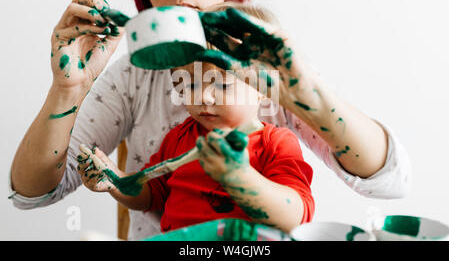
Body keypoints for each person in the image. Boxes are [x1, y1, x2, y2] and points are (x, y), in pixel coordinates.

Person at [9, 0, 411, 240]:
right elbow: (33, 194)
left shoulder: (269, 64)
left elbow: (389, 181)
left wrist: (301, 88)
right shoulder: (137, 81)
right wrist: (68, 88)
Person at [78, 25, 315, 233]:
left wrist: (241, 177)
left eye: (222, 84)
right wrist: (118, 183)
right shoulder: (180, 136)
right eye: (191, 84)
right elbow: (153, 193)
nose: (203, 96)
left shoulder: (275, 143)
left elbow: (297, 215)